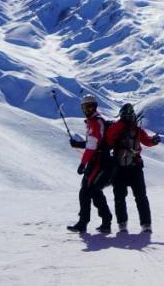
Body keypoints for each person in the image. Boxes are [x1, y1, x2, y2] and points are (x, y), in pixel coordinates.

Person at [104, 102, 161, 231]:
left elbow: (108, 141)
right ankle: (146, 225)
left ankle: (122, 224)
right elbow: (146, 140)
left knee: (120, 197)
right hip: (135, 166)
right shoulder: (136, 129)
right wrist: (154, 140)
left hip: (120, 167)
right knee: (141, 197)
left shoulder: (117, 127)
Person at [66, 95, 113, 233]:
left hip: (99, 162)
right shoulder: (94, 121)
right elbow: (93, 143)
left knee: (87, 191)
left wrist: (82, 164)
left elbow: (92, 146)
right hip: (97, 160)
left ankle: (85, 222)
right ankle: (105, 221)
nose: (87, 109)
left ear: (95, 106)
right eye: (85, 107)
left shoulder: (95, 122)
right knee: (92, 191)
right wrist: (79, 144)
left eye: (90, 106)